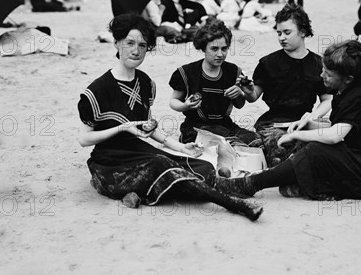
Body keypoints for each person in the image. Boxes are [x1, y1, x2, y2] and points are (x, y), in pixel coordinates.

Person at [77, 14, 262, 220]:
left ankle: (138, 192)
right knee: (162, 164)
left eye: (142, 45)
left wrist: (180, 147)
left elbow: (149, 128)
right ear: (117, 43)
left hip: (139, 152)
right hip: (110, 162)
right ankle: (232, 202)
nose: (136, 50)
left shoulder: (145, 83)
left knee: (202, 166)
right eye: (129, 43)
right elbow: (84, 139)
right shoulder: (98, 89)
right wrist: (122, 128)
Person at [216, 40, 361, 201]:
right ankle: (295, 183)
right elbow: (342, 127)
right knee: (310, 145)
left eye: (328, 74)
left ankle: (251, 184)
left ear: (348, 78)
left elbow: (335, 136)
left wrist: (298, 134)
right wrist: (309, 124)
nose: (322, 76)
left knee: (315, 149)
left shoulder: (360, 97)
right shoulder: (347, 91)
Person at [238, 4, 333, 165]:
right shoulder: (268, 62)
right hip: (272, 123)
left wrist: (312, 117)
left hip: (303, 121)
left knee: (327, 141)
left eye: (287, 32)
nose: (282, 37)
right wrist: (248, 90)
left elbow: (328, 98)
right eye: (279, 33)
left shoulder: (318, 64)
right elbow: (253, 97)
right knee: (280, 145)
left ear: (302, 32)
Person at [169, 20, 259, 146]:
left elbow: (239, 105)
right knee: (227, 141)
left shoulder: (233, 71)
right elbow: (173, 101)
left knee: (253, 139)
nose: (220, 54)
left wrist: (239, 94)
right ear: (203, 48)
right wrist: (185, 105)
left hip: (225, 125)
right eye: (214, 49)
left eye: (224, 49)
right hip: (195, 127)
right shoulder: (188, 72)